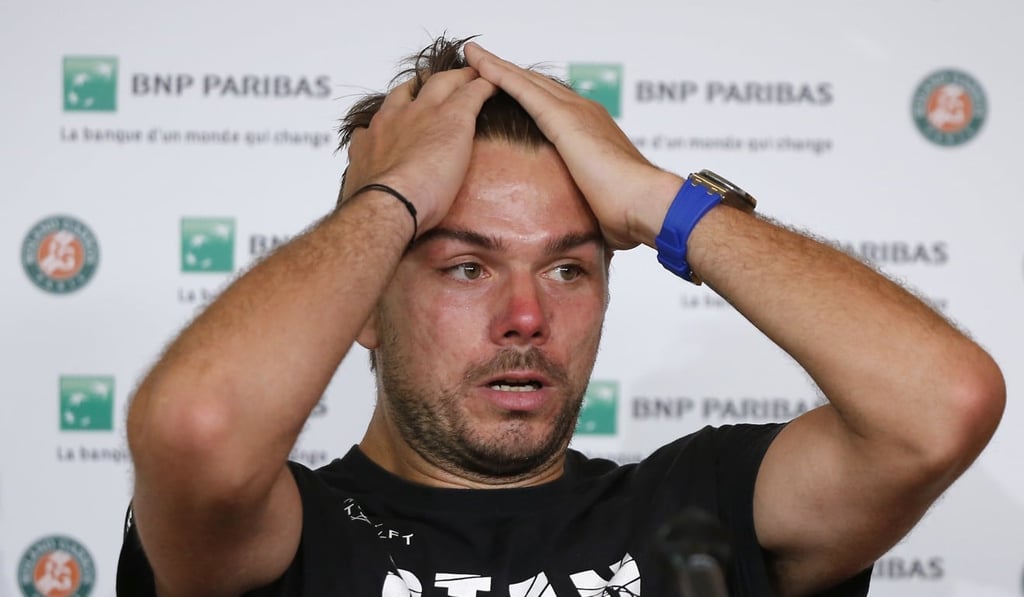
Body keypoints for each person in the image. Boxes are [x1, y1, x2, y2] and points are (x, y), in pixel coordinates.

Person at [116, 36, 1005, 596]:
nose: (526, 315)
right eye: (467, 265)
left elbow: (940, 405)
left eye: (568, 267)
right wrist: (395, 196)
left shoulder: (697, 505)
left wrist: (657, 199)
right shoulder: (286, 533)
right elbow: (199, 425)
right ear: (365, 309)